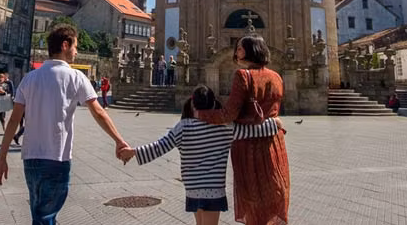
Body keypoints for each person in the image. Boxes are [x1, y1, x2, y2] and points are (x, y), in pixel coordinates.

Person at [0, 24, 129, 225]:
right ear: (65, 45)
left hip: (30, 159)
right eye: (75, 46)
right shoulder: (75, 77)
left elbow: (14, 120)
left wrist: (2, 157)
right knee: (44, 217)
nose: (77, 51)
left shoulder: (29, 78)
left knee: (41, 213)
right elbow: (98, 112)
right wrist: (119, 141)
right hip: (56, 158)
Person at [120, 86, 282, 225]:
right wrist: (274, 124)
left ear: (192, 104)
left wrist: (133, 152)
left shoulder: (183, 127)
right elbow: (252, 130)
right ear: (213, 103)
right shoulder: (225, 127)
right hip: (213, 190)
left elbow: (160, 147)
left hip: (193, 189)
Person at [195, 35, 290, 225]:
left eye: (239, 48)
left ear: (251, 50)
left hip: (249, 148)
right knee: (272, 190)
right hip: (274, 144)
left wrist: (201, 115)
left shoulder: (243, 75)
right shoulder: (277, 77)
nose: (236, 51)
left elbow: (229, 114)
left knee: (253, 197)